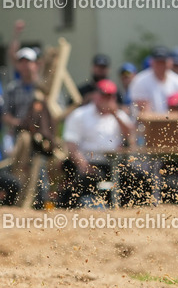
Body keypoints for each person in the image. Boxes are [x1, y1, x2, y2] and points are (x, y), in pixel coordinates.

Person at [60, 79, 149, 207]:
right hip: (89, 162)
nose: (106, 99)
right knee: (88, 180)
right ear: (95, 95)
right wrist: (83, 165)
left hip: (113, 163)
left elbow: (131, 137)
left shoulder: (119, 115)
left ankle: (137, 211)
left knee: (139, 178)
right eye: (103, 95)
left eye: (110, 96)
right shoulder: (80, 115)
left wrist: (115, 114)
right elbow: (72, 145)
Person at [128, 46, 178, 115]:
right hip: (146, 124)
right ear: (152, 62)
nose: (161, 65)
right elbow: (144, 112)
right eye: (158, 62)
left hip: (173, 123)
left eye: (163, 62)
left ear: (169, 62)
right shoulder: (140, 81)